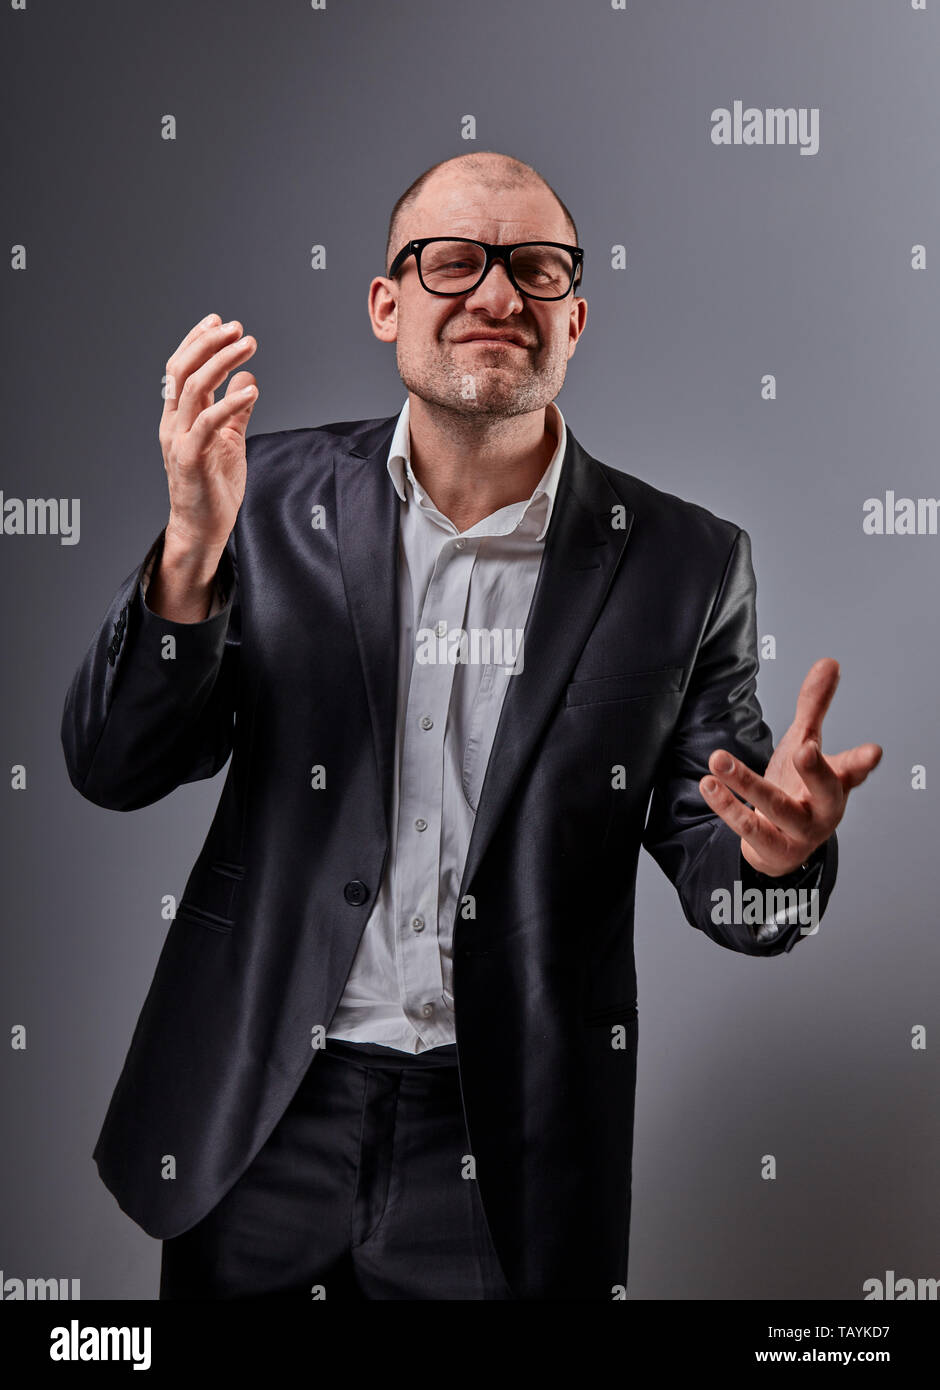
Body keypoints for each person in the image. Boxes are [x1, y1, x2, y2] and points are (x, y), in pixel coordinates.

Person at [60, 151, 882, 1301]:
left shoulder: (685, 563)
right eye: (453, 262)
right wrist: (190, 556)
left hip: (504, 1139)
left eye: (535, 269)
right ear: (387, 305)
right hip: (260, 1115)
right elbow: (114, 765)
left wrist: (773, 855)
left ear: (574, 317)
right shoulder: (261, 498)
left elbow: (722, 847)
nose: (496, 294)